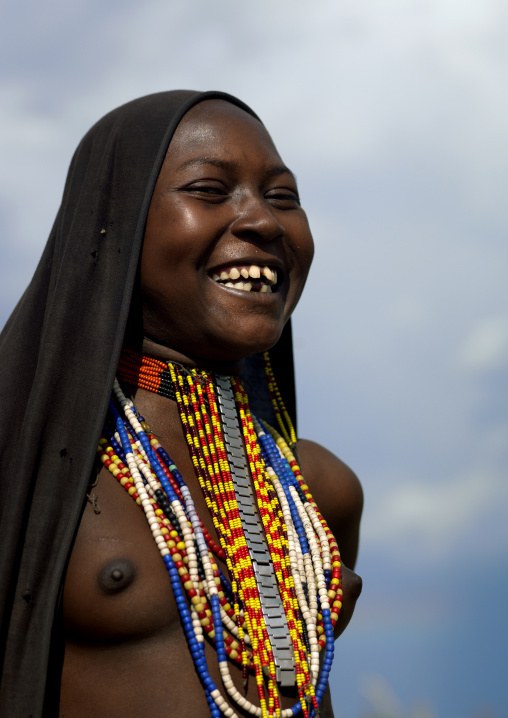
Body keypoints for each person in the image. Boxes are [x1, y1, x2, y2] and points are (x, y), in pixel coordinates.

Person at [0, 91, 363, 718]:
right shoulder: (26, 466)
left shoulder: (322, 492)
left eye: (283, 198)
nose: (265, 223)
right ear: (116, 225)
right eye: (210, 190)